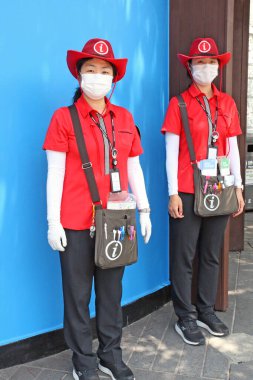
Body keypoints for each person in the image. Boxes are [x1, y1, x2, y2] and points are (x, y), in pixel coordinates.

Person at [43, 38, 152, 380]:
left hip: (117, 219)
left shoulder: (124, 117)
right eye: (91, 69)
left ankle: (110, 354)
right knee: (77, 296)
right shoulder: (64, 118)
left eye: (105, 71)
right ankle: (83, 359)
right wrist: (53, 222)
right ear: (79, 76)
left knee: (111, 293)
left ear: (113, 79)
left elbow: (133, 166)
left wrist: (145, 210)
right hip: (75, 222)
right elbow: (55, 172)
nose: (97, 76)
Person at [161, 37, 245, 346]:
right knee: (184, 257)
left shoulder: (228, 103)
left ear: (218, 67)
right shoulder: (179, 104)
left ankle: (206, 310)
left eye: (211, 62)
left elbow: (233, 148)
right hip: (186, 189)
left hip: (219, 187)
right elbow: (170, 151)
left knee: (211, 254)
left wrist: (238, 186)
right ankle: (185, 316)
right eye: (200, 62)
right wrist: (172, 193)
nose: (206, 67)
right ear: (190, 66)